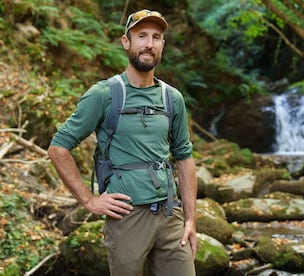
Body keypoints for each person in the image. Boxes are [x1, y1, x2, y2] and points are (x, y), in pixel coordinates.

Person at [48, 9, 197, 275]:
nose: (149, 44)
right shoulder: (104, 94)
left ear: (163, 45)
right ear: (126, 42)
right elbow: (59, 147)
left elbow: (184, 157)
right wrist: (89, 201)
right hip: (126, 217)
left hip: (170, 215)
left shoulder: (172, 98)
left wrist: (190, 219)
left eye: (156, 37)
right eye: (141, 36)